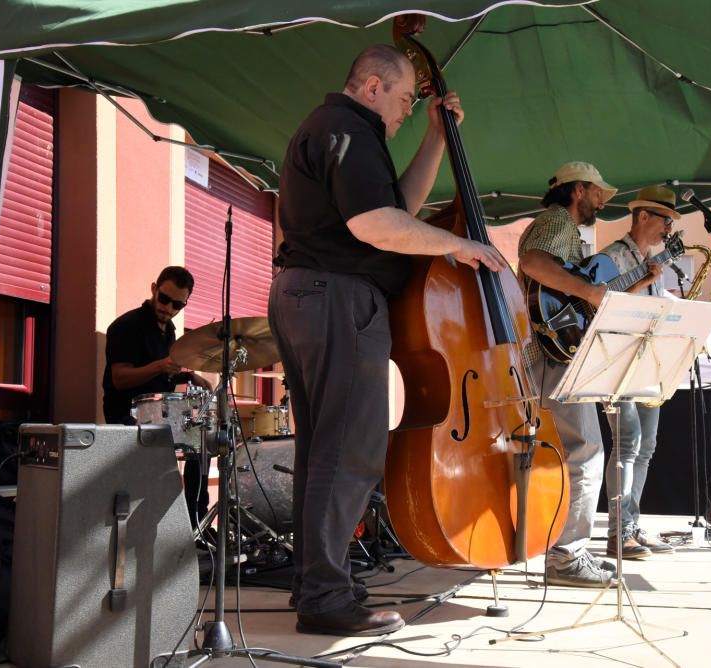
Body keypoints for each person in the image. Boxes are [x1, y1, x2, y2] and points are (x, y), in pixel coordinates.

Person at [269, 44, 506, 637]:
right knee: (349, 449)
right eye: (404, 100)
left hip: (310, 295)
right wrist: (456, 244)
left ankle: (318, 584)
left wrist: (434, 136)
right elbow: (375, 226)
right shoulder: (346, 127)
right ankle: (325, 596)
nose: (405, 111)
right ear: (372, 85)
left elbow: (399, 208)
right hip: (337, 296)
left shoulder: (338, 131)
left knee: (324, 450)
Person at [517, 161, 619, 587]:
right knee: (586, 451)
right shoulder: (557, 221)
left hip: (551, 353)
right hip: (552, 355)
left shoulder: (565, 231)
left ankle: (559, 549)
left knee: (567, 454)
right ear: (578, 190)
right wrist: (591, 291)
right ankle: (566, 557)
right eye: (597, 192)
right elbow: (534, 263)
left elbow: (567, 293)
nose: (601, 201)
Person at [600, 186, 680, 560]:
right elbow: (598, 300)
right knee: (628, 444)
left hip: (647, 361)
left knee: (644, 448)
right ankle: (618, 533)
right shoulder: (613, 256)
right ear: (643, 216)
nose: (669, 228)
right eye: (666, 219)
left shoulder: (652, 261)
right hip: (619, 359)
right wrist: (641, 283)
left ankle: (631, 524)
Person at [102, 266, 212, 526]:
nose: (168, 308)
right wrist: (160, 366)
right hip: (127, 417)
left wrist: (188, 377)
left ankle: (196, 523)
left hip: (160, 418)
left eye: (177, 304)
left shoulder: (169, 331)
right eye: (164, 299)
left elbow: (160, 375)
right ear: (154, 288)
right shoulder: (127, 326)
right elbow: (120, 378)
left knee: (201, 445)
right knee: (157, 474)